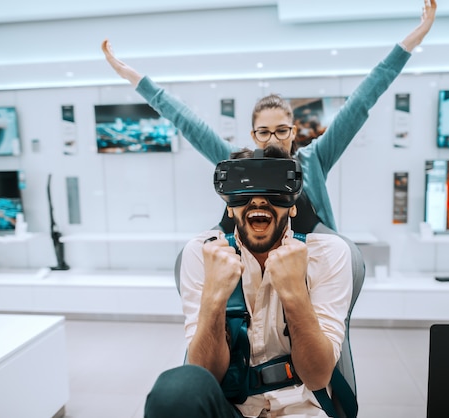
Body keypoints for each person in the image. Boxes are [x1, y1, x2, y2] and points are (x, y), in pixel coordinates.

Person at [101, 0, 437, 233]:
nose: (273, 139)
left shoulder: (315, 159)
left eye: (280, 130)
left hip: (315, 272)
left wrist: (410, 43)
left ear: (293, 131)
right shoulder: (238, 163)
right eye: (264, 132)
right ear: (253, 135)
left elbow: (362, 100)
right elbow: (186, 121)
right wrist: (134, 78)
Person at [144, 146, 354, 417]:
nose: (257, 201)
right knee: (175, 390)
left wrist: (294, 293)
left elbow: (317, 377)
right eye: (245, 190)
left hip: (303, 410)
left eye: (272, 190)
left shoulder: (327, 254)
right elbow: (203, 374)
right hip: (233, 409)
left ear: (291, 206)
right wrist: (215, 297)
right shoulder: (202, 254)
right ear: (229, 208)